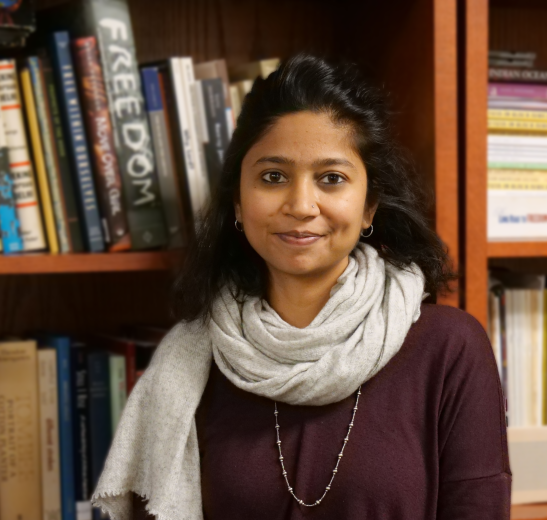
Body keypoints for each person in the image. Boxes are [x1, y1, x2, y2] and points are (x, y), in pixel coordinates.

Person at [92, 54, 511, 520]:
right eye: (273, 177)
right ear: (237, 199)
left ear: (370, 206)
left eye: (331, 179)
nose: (301, 204)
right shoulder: (193, 358)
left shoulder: (449, 348)